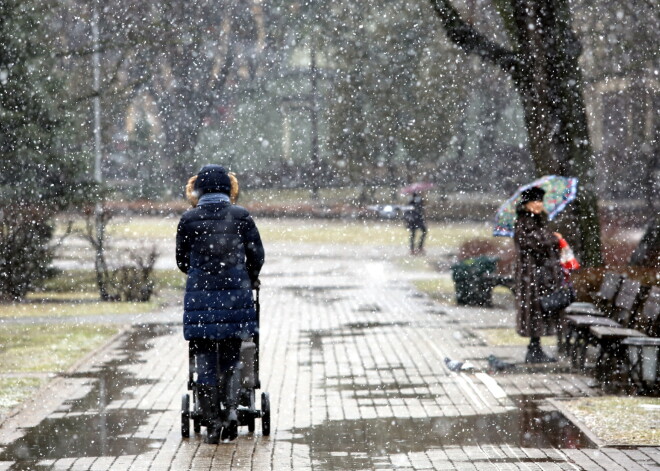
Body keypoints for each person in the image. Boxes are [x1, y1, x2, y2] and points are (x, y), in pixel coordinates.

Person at [176, 164, 264, 443]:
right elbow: (257, 255)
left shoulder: (188, 219)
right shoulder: (241, 216)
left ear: (197, 189)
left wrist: (201, 275)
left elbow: (181, 261)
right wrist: (247, 276)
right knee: (232, 358)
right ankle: (231, 414)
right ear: (229, 188)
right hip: (235, 299)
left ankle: (211, 423)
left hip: (200, 300)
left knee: (204, 362)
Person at [513, 186, 564, 364]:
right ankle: (534, 349)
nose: (538, 205)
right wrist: (553, 238)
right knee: (534, 310)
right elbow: (536, 242)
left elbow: (541, 239)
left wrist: (550, 236)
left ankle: (535, 348)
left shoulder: (537, 221)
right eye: (535, 201)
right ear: (526, 204)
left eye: (540, 201)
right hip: (532, 275)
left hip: (539, 274)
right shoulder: (524, 222)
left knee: (538, 310)